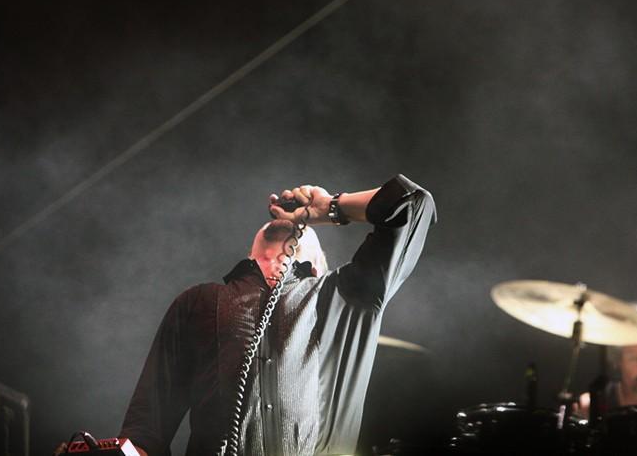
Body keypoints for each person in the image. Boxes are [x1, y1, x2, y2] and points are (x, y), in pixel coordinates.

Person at [119, 175, 436, 456]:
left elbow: (413, 203)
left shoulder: (345, 296)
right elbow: (145, 431)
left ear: (318, 266)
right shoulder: (197, 302)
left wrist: (330, 208)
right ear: (250, 252)